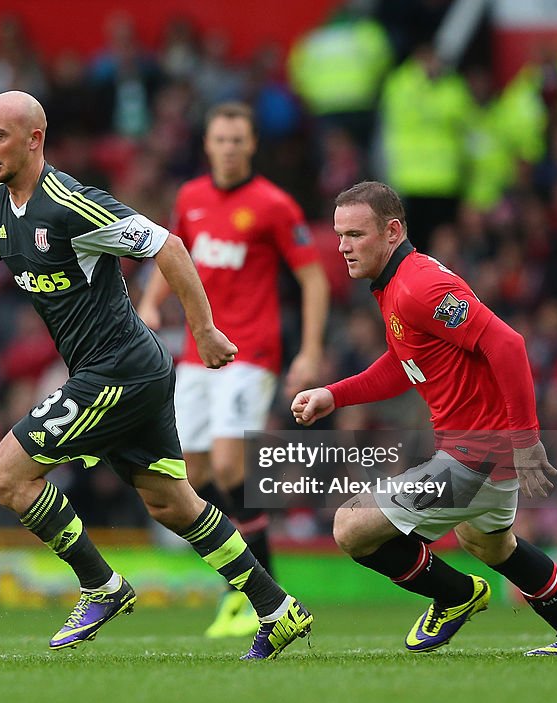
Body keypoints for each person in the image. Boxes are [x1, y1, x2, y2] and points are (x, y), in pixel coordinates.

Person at [0, 91, 311, 659]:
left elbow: (170, 245)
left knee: (6, 475)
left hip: (119, 369)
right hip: (123, 370)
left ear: (35, 138)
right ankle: (277, 608)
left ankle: (101, 586)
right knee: (171, 503)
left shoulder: (71, 205)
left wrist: (203, 330)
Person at [291, 181, 557, 656]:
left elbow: (508, 345)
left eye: (355, 235)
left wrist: (527, 440)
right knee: (489, 544)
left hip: (476, 455)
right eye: (339, 234)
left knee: (350, 527)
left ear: (392, 231)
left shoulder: (420, 286)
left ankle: (456, 595)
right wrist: (334, 395)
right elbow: (404, 362)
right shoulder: (396, 284)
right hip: (480, 453)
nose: (343, 247)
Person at [138, 101, 328, 638]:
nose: (228, 148)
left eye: (237, 140)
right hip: (200, 352)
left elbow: (312, 280)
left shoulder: (274, 205)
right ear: (207, 144)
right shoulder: (190, 198)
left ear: (251, 146)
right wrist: (152, 301)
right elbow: (170, 253)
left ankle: (259, 593)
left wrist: (309, 352)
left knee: (228, 466)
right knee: (190, 477)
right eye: (220, 139)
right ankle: (245, 586)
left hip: (252, 353)